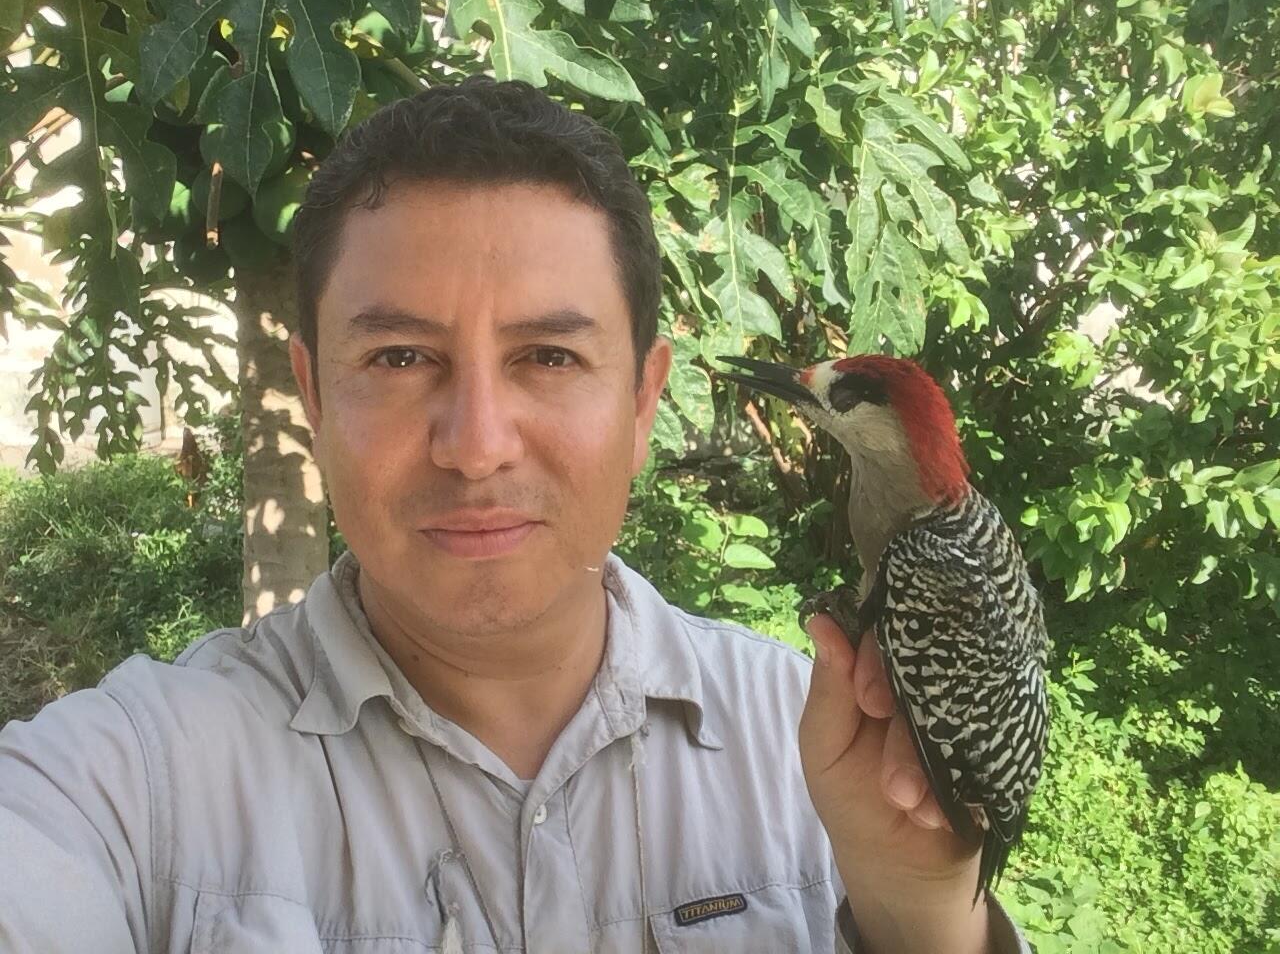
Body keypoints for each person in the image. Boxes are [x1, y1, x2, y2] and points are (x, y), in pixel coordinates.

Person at [0, 77, 1031, 953]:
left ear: (641, 402)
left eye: (548, 357)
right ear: (313, 398)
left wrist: (918, 909)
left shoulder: (828, 756)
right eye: (399, 358)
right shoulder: (119, 793)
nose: (477, 443)